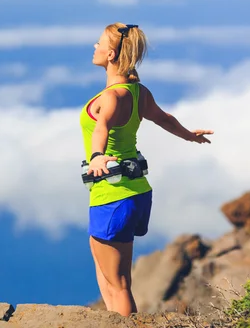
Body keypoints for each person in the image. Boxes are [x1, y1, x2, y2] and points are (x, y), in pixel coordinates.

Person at [79, 22, 213, 316]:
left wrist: (98, 156)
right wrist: (190, 135)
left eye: (99, 43)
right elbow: (164, 119)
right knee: (106, 270)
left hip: (113, 195)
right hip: (136, 193)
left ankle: (124, 323)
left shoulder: (111, 97)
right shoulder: (138, 92)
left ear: (112, 54)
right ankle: (113, 321)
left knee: (119, 284)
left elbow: (101, 127)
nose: (95, 47)